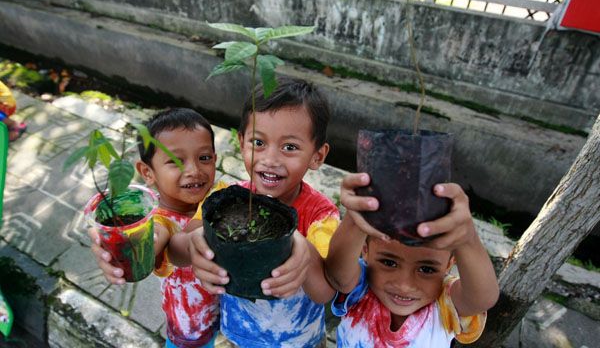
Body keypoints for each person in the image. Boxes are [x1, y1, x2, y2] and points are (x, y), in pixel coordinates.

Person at [183, 77, 340, 347]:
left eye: (289, 147)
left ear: (317, 156)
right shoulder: (224, 202)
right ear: (241, 141)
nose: (270, 159)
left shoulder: (321, 216)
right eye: (258, 142)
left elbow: (324, 293)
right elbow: (185, 241)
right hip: (235, 337)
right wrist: (194, 244)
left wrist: (302, 250)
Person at [89, 108, 226, 348]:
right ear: (147, 172)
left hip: (229, 312)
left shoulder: (221, 195)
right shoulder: (159, 221)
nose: (194, 170)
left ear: (215, 158)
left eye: (204, 157)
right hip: (190, 328)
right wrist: (120, 252)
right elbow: (152, 240)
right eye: (175, 161)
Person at [325, 173, 499, 347]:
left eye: (426, 269)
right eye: (389, 263)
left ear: (449, 264)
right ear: (365, 250)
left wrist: (467, 239)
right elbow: (337, 275)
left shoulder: (445, 304)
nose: (404, 285)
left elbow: (481, 299)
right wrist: (355, 218)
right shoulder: (361, 286)